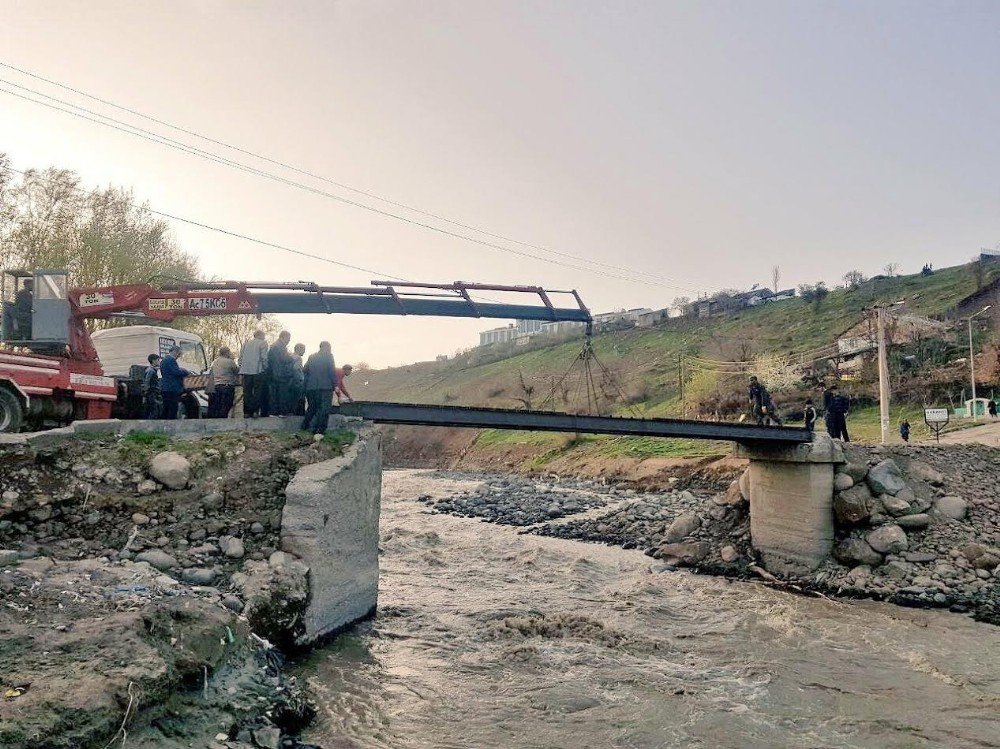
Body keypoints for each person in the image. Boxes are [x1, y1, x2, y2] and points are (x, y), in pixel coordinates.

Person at [301, 341, 337, 435]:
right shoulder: (329, 356)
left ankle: (304, 426)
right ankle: (320, 430)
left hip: (312, 387)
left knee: (312, 407)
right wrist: (335, 385)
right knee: (324, 408)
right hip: (325, 387)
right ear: (327, 347)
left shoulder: (311, 357)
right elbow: (332, 371)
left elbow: (305, 369)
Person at [239, 331, 269, 417]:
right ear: (260, 335)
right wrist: (265, 368)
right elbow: (264, 357)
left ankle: (247, 412)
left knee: (247, 392)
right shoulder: (263, 343)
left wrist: (241, 367)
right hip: (257, 370)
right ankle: (255, 411)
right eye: (264, 335)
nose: (264, 337)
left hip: (246, 371)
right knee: (257, 392)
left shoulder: (246, 344)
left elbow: (240, 358)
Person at [267, 331, 294, 416]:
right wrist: (291, 358)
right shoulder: (281, 346)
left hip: (273, 373)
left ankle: (273, 412)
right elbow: (284, 359)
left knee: (274, 394)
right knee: (283, 394)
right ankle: (282, 412)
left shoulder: (273, 346)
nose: (288, 341)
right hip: (281, 374)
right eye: (288, 339)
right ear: (283, 337)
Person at [159, 346, 190, 420]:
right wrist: (185, 371)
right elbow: (176, 372)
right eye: (179, 354)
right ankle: (171, 427)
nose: (178, 356)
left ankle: (163, 426)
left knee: (166, 408)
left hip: (165, 388)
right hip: (172, 388)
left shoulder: (164, 360)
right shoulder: (171, 360)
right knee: (173, 409)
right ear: (175, 352)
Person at [208, 347, 239, 418]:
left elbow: (211, 373)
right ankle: (223, 422)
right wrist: (232, 359)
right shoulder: (230, 362)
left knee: (218, 406)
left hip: (216, 386)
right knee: (226, 406)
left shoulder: (214, 362)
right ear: (227, 353)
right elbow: (237, 371)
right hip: (227, 386)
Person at [141, 354, 162, 419]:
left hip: (153, 393)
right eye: (158, 360)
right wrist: (145, 394)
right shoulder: (150, 371)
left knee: (154, 411)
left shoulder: (153, 370)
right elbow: (146, 383)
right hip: (151, 394)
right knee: (154, 411)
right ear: (153, 361)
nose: (159, 362)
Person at [290, 343, 306, 416]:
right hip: (297, 381)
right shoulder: (298, 358)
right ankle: (300, 414)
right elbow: (296, 369)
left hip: (290, 381)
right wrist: (301, 379)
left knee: (293, 399)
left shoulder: (290, 356)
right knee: (300, 398)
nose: (304, 351)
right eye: (303, 350)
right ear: (298, 349)